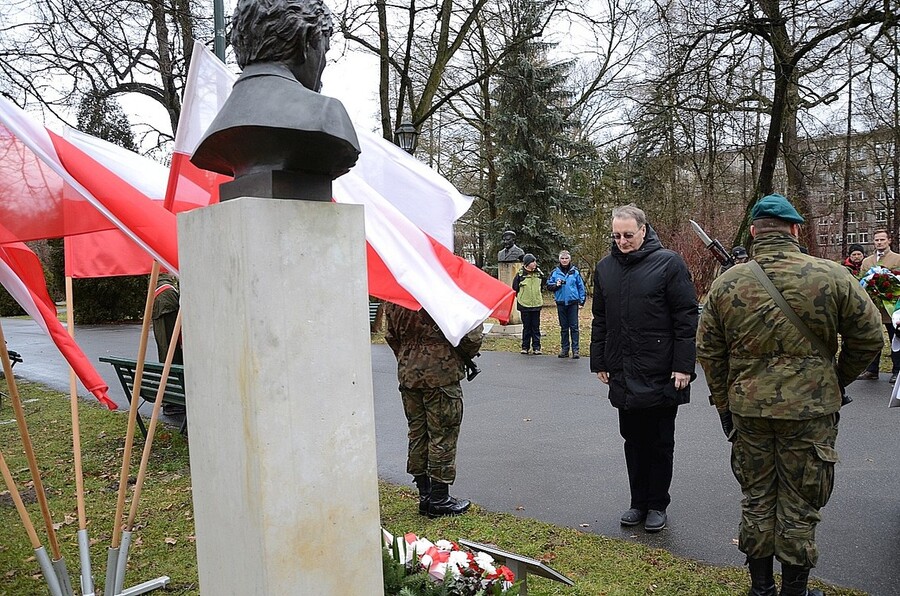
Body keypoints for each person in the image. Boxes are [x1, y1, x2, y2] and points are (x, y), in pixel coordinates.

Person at [697, 193, 882, 596]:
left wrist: (726, 404)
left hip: (750, 412)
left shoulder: (727, 283)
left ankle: (760, 588)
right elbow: (869, 339)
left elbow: (708, 351)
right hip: (810, 412)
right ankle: (794, 591)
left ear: (753, 232)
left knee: (758, 498)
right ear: (795, 230)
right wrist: (835, 378)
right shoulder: (831, 275)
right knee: (801, 502)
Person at [590, 204, 698, 533]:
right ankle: (638, 503)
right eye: (616, 235)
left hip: (662, 370)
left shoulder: (668, 263)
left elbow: (686, 317)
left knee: (660, 441)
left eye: (628, 235)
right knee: (633, 440)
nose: (622, 241)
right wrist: (600, 360)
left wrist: (683, 366)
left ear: (643, 230)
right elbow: (601, 318)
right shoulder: (605, 268)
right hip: (623, 369)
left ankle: (657, 504)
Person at [191, 0, 360, 198]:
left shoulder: (217, 134)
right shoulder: (326, 114)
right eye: (324, 49)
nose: (323, 63)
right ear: (305, 42)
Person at [384, 303, 483, 518]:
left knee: (418, 433)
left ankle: (425, 495)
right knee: (442, 433)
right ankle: (439, 499)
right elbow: (472, 336)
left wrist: (410, 355)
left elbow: (390, 336)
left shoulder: (396, 296)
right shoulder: (443, 292)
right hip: (441, 371)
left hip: (408, 372)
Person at [857, 230, 900, 382]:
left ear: (889, 240)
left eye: (882, 239)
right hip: (873, 307)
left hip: (892, 308)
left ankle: (897, 370)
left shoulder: (897, 259)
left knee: (896, 339)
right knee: (872, 338)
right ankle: (871, 370)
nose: (879, 242)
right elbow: (861, 281)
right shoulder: (867, 261)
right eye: (876, 240)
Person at [152, 273, 185, 416]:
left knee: (167, 356)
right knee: (173, 358)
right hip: (171, 339)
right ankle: (173, 401)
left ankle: (170, 400)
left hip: (164, 339)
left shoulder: (157, 287)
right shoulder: (167, 292)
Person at [547, 250, 586, 359]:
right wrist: (556, 285)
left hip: (573, 303)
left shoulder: (575, 272)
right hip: (561, 303)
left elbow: (581, 287)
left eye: (566, 258)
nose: (564, 260)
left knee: (574, 327)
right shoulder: (555, 272)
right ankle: (565, 349)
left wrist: (581, 301)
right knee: (564, 327)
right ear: (559, 259)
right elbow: (548, 286)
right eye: (562, 258)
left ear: (570, 259)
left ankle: (575, 349)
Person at [513, 253, 544, 355]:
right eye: (532, 261)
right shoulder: (520, 275)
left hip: (536, 304)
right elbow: (515, 288)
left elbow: (543, 285)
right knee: (527, 327)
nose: (535, 263)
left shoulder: (539, 273)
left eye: (535, 261)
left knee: (536, 327)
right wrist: (522, 297)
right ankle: (525, 347)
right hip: (524, 304)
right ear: (527, 263)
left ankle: (536, 347)